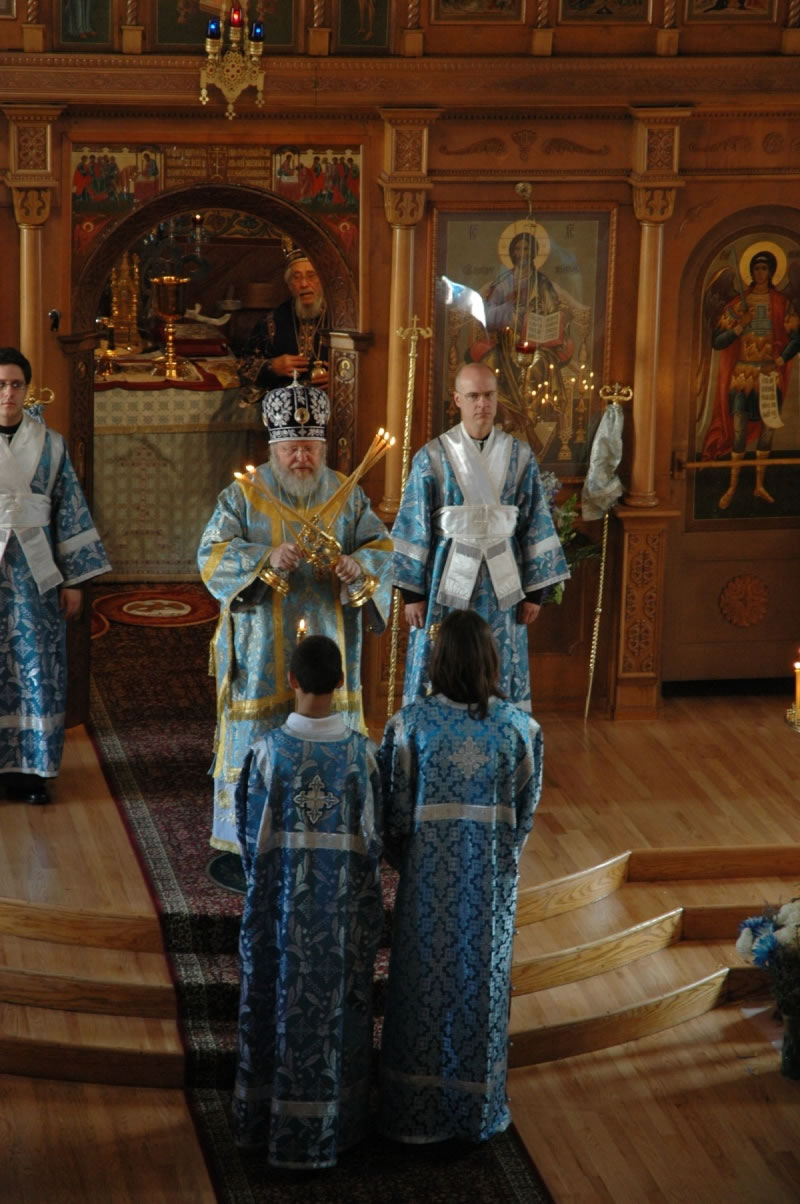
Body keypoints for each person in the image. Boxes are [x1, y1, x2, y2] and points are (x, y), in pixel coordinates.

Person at [198, 380, 392, 852]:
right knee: (259, 737)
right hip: (262, 649)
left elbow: (382, 547)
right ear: (274, 448)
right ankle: (248, 838)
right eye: (291, 449)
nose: (300, 457)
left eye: (309, 447)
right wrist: (265, 558)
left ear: (322, 448)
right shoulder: (245, 493)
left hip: (330, 639)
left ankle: (328, 829)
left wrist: (357, 566)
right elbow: (211, 553)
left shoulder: (346, 493)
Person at [378, 609, 542, 1144]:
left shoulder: (409, 726)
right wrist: (494, 858)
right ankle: (475, 1112)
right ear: (491, 660)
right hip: (489, 891)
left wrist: (416, 863)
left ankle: (414, 1111)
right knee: (479, 985)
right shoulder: (518, 729)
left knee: (422, 987)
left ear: (438, 659)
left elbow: (392, 817)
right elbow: (524, 814)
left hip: (425, 889)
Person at [233, 634, 383, 1166]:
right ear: (341, 682)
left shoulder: (267, 753)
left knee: (278, 1004)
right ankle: (337, 1126)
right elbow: (376, 842)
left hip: (280, 918)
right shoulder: (363, 756)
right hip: (342, 920)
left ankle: (266, 1120)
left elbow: (248, 840)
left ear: (291, 680)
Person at [392, 361, 570, 712]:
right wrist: (412, 595)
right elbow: (413, 525)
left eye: (489, 395)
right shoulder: (432, 457)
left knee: (500, 663)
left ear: (498, 398)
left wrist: (535, 594)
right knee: (442, 657)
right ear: (457, 399)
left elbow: (536, 521)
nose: (482, 404)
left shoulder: (520, 456)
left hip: (504, 587)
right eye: (473, 396)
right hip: (445, 584)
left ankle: (503, 732)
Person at [0, 346, 110, 804]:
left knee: (35, 666)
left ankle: (32, 773)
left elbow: (70, 511)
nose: (7, 393)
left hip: (36, 576)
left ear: (27, 389)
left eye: (15, 384)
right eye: (0, 384)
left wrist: (75, 581)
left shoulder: (52, 444)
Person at [701, 250, 800, 509]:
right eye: (756, 268)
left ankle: (759, 485)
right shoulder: (737, 305)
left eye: (764, 268)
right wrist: (739, 326)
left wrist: (779, 361)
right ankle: (732, 486)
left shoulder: (781, 303)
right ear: (751, 272)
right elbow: (717, 341)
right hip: (742, 376)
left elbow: (796, 338)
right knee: (739, 431)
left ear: (771, 272)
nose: (760, 273)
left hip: (769, 376)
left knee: (767, 431)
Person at [240, 249, 329, 392]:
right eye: (296, 278)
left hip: (331, 400)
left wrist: (341, 378)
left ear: (323, 280)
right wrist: (272, 367)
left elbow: (363, 364)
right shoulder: (272, 321)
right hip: (284, 401)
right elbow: (244, 366)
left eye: (311, 276)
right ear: (290, 286)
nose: (304, 284)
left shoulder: (343, 319)